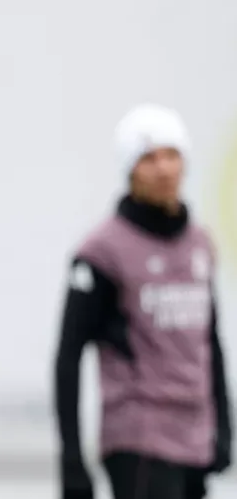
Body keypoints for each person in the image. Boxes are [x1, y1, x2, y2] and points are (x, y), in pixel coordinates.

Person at [55, 104, 232, 499]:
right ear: (130, 170)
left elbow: (210, 342)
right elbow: (68, 356)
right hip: (139, 436)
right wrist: (71, 458)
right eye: (149, 159)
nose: (163, 169)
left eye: (171, 155)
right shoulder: (102, 252)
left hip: (194, 435)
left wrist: (224, 425)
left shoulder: (199, 244)